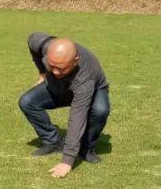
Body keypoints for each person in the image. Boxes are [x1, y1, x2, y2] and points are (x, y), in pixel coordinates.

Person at [18, 33, 110, 178]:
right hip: (59, 86)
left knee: (100, 110)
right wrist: (42, 72)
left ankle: (85, 148)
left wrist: (67, 160)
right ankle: (52, 141)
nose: (55, 71)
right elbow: (31, 41)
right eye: (52, 65)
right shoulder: (42, 44)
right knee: (27, 101)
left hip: (92, 90)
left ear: (75, 60)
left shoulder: (85, 77)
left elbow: (77, 116)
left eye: (61, 68)